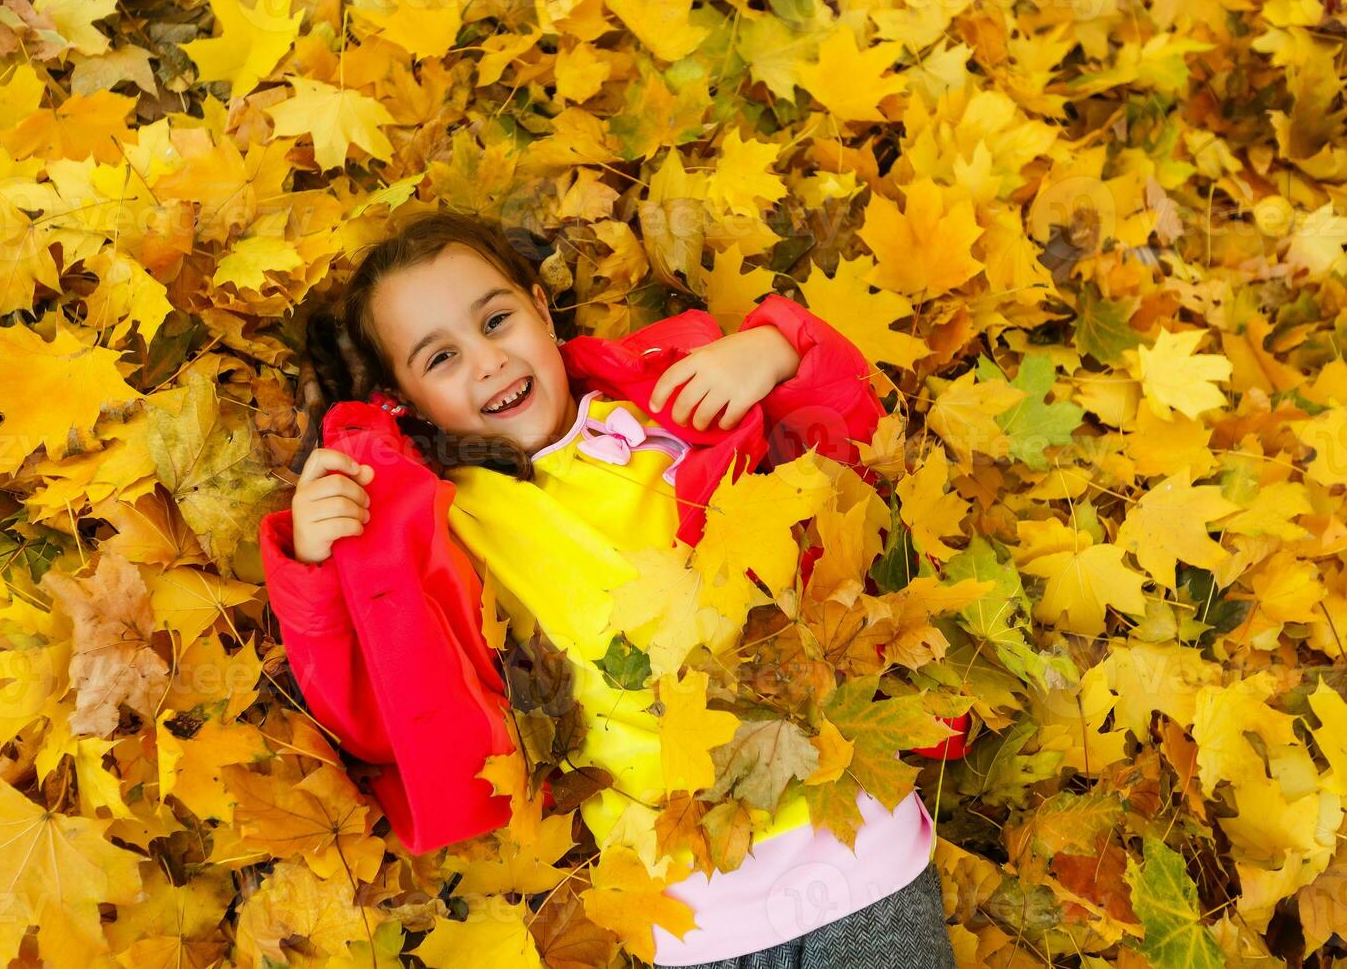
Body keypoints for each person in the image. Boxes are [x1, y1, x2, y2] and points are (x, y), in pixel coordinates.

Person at [258, 208, 968, 968]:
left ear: (538, 304)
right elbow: (376, 710)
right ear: (405, 400)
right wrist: (318, 566)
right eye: (440, 359)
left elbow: (850, 471)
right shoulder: (447, 524)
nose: (488, 361)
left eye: (496, 319)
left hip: (853, 837)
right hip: (688, 903)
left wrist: (776, 351)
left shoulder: (667, 406)